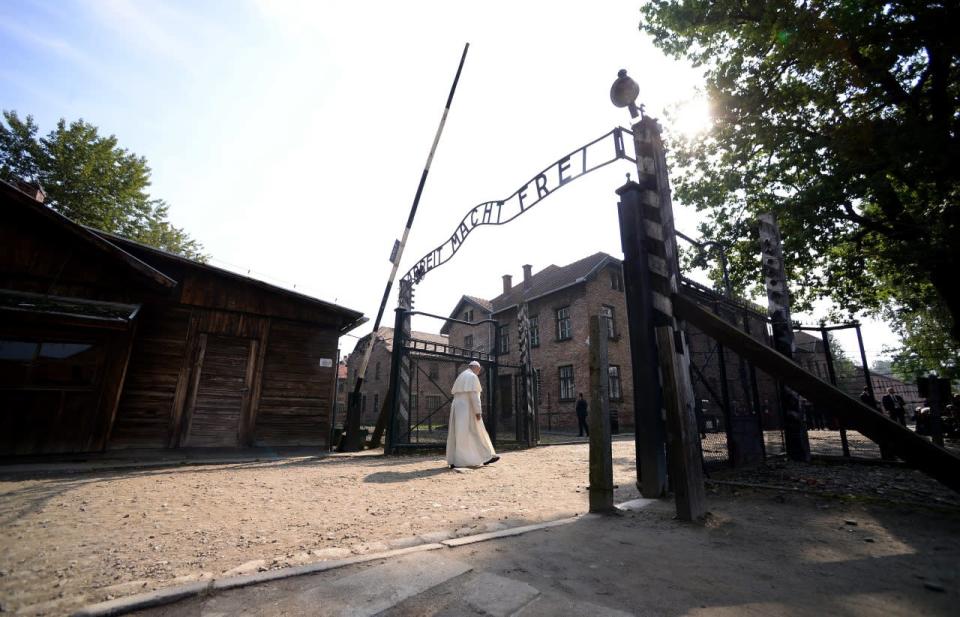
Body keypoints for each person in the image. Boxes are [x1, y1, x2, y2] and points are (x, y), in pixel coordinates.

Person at [446, 361, 498, 468]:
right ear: (475, 368)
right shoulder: (472, 376)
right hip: (467, 408)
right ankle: (486, 456)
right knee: (477, 431)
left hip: (457, 407)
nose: (479, 373)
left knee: (458, 434)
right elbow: (475, 396)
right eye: (479, 370)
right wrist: (478, 411)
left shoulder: (462, 375)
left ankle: (454, 460)